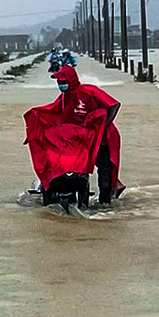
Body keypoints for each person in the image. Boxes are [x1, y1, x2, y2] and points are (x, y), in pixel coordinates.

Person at [23, 63, 125, 211]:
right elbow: (53, 113)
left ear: (71, 80)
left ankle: (105, 203)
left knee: (104, 170)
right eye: (59, 82)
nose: (61, 85)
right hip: (83, 139)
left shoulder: (90, 91)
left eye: (63, 82)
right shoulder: (64, 98)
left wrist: (102, 125)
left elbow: (114, 105)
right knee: (76, 164)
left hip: (103, 138)